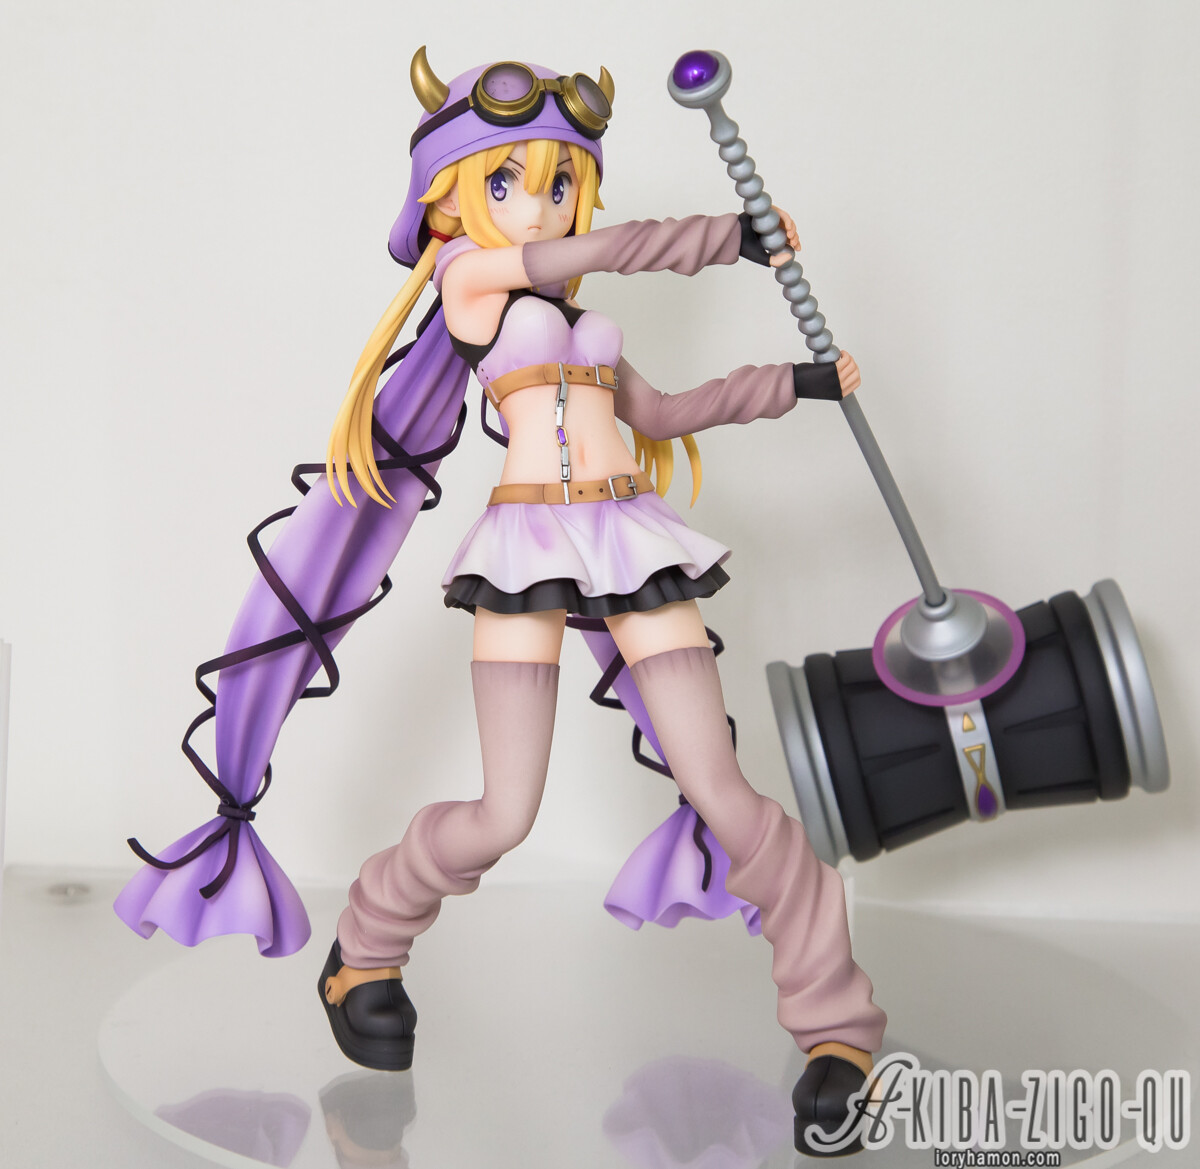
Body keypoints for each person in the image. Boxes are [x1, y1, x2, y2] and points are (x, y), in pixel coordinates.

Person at [117, 49, 885, 1157]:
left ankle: (837, 1025)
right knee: (504, 810)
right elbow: (588, 251)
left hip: (629, 541)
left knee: (722, 786)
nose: (543, 203)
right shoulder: (473, 283)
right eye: (512, 181)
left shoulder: (584, 327)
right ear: (449, 197)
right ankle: (367, 946)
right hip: (525, 552)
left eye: (563, 181)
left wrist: (793, 385)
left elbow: (666, 413)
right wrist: (728, 236)